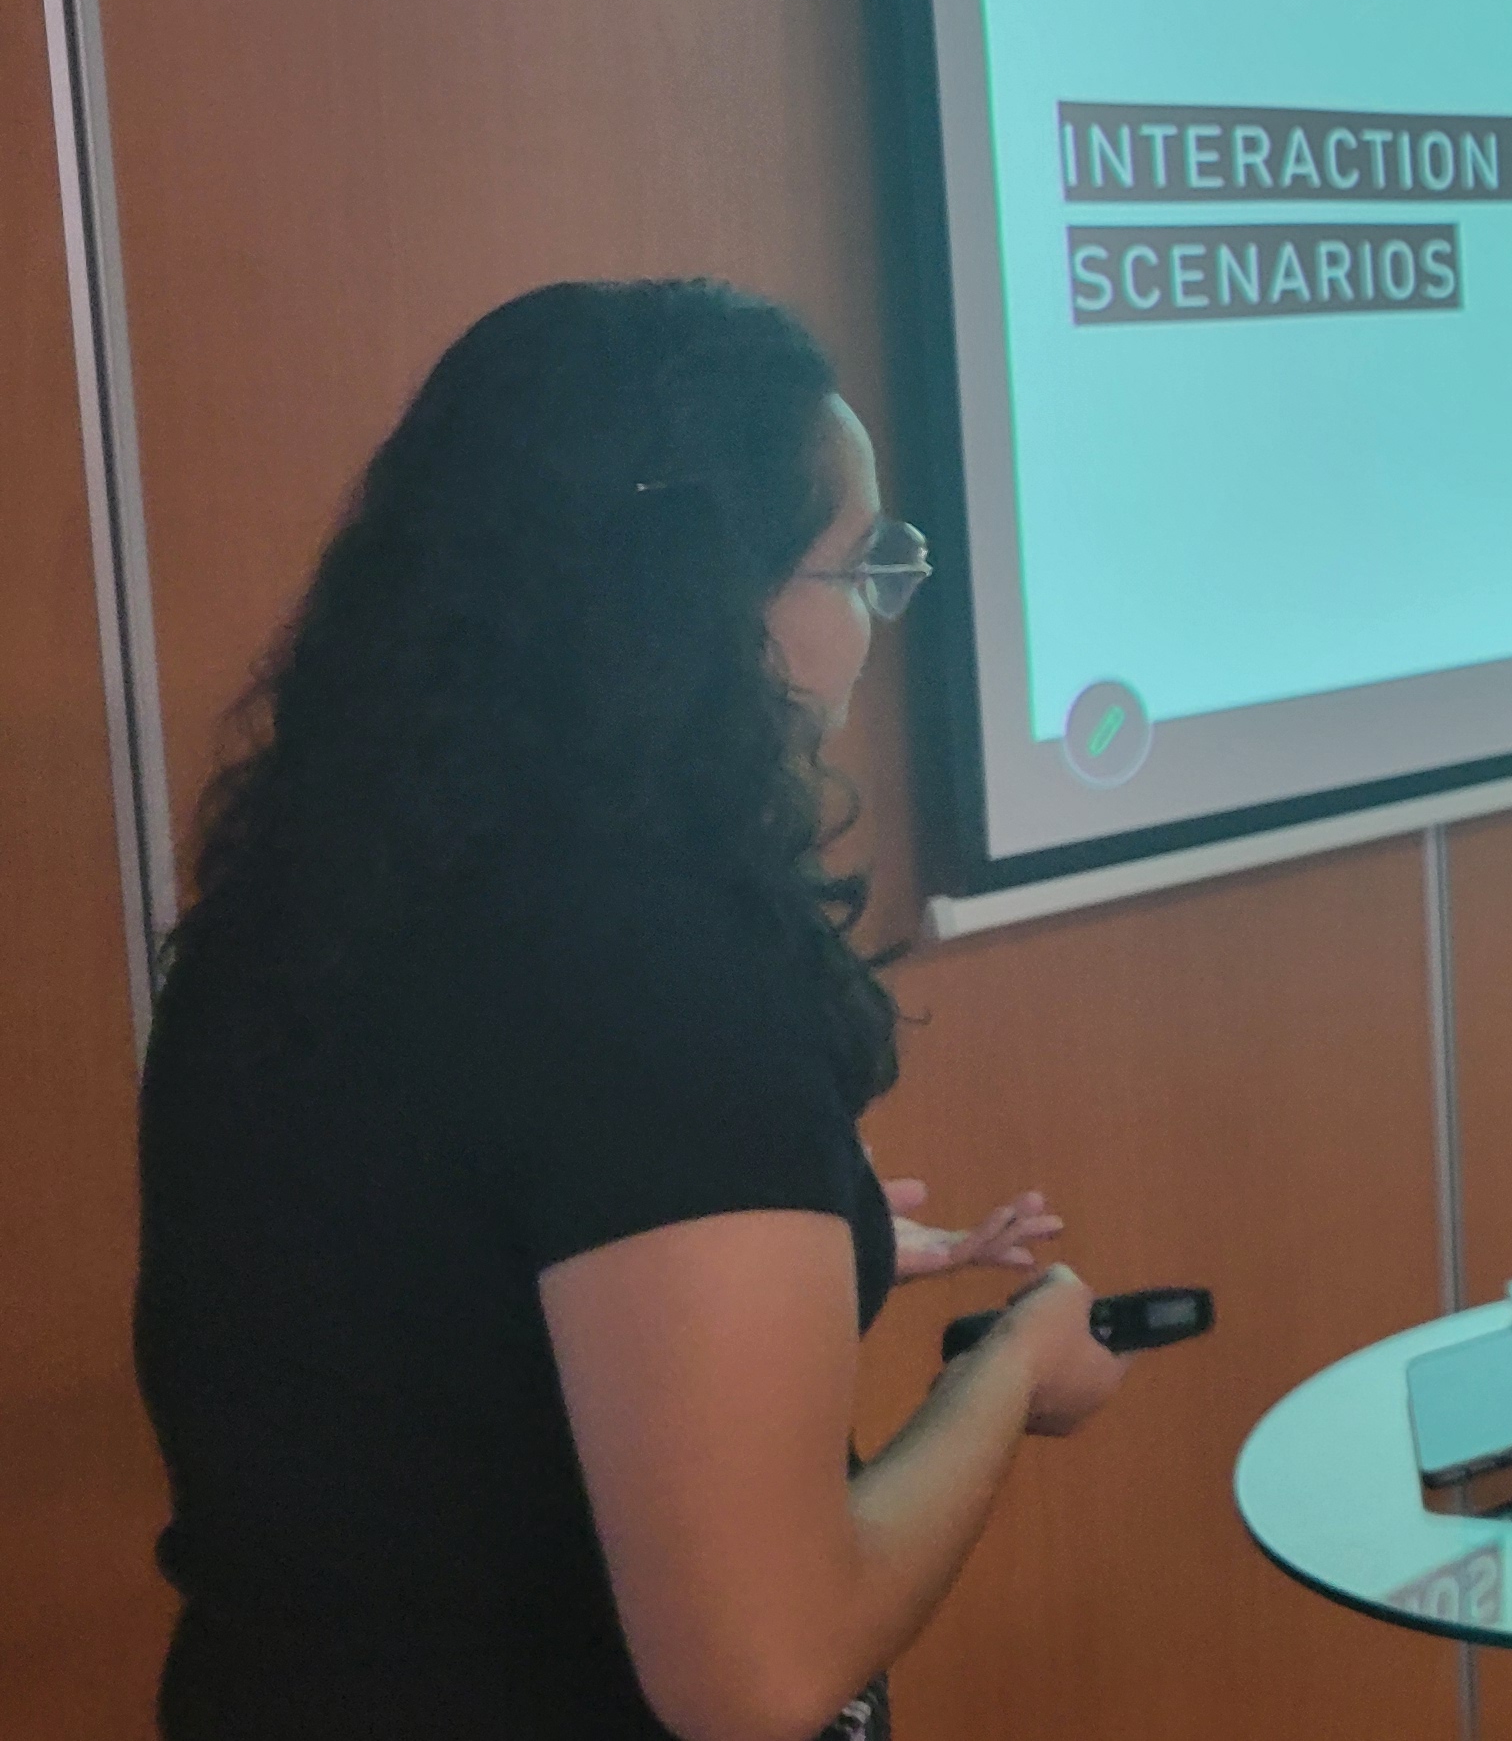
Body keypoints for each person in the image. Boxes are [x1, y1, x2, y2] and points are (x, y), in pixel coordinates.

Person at [135, 280, 1125, 1739]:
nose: (873, 628)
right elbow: (760, 1672)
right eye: (859, 570)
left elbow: (433, 1289)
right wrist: (1015, 1369)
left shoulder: (304, 903)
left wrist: (811, 1235)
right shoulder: (661, 971)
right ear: (701, 607)